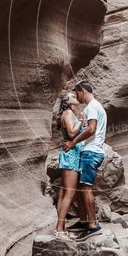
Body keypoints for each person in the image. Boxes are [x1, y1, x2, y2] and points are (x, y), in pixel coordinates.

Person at [63, 80, 107, 240]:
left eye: (77, 93)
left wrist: (73, 142)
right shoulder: (95, 106)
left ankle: (93, 225)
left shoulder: (92, 107)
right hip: (90, 151)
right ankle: (84, 221)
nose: (77, 97)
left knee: (86, 188)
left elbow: (91, 129)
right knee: (82, 187)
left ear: (83, 91)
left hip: (92, 152)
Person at [52, 92, 84, 239]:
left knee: (64, 193)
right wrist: (81, 121)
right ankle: (59, 230)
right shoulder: (69, 113)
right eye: (73, 96)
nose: (76, 97)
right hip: (71, 155)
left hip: (70, 155)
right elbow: (71, 134)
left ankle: (61, 228)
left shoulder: (68, 113)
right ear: (68, 101)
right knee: (69, 193)